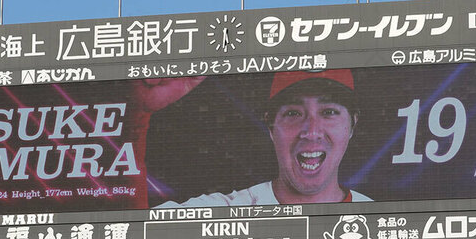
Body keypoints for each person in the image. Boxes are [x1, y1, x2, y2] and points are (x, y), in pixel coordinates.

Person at [158, 69, 370, 208]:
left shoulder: (378, 217)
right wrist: (136, 116)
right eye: (294, 113)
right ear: (271, 126)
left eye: (329, 112)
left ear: (352, 124)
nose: (312, 131)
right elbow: (131, 235)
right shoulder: (222, 211)